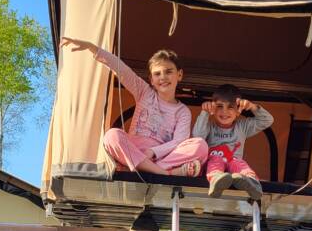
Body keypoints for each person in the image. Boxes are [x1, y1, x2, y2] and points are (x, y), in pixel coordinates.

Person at [60, 37, 207, 177]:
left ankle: (148, 169)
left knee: (200, 146)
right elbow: (122, 70)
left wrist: (152, 151)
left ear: (179, 75)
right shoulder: (144, 92)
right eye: (157, 74)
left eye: (169, 71)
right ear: (151, 80)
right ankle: (163, 172)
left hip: (159, 156)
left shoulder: (183, 111)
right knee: (111, 136)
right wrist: (94, 49)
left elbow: (178, 142)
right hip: (134, 150)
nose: (163, 77)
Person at [192, 84, 272, 199]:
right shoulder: (209, 126)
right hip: (214, 163)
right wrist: (205, 112)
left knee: (239, 163)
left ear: (238, 110)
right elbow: (197, 137)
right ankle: (216, 181)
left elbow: (268, 120)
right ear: (213, 109)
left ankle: (251, 183)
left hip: (234, 164)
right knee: (216, 160)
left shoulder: (242, 126)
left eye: (230, 107)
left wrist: (252, 107)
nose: (224, 112)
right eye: (219, 106)